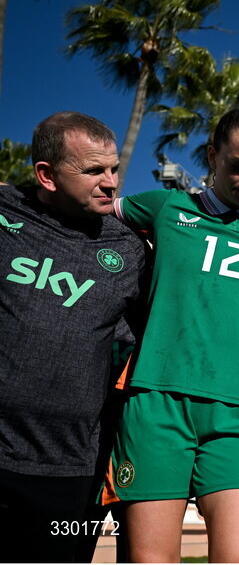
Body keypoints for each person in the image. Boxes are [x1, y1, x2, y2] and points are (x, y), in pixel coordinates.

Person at [101, 108, 239, 562]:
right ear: (211, 155)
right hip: (156, 402)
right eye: (238, 165)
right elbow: (94, 206)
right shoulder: (165, 208)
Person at [0, 111, 145, 563]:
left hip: (72, 473)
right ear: (46, 175)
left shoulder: (131, 249)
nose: (110, 182)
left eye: (114, 169)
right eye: (93, 171)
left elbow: (169, 326)